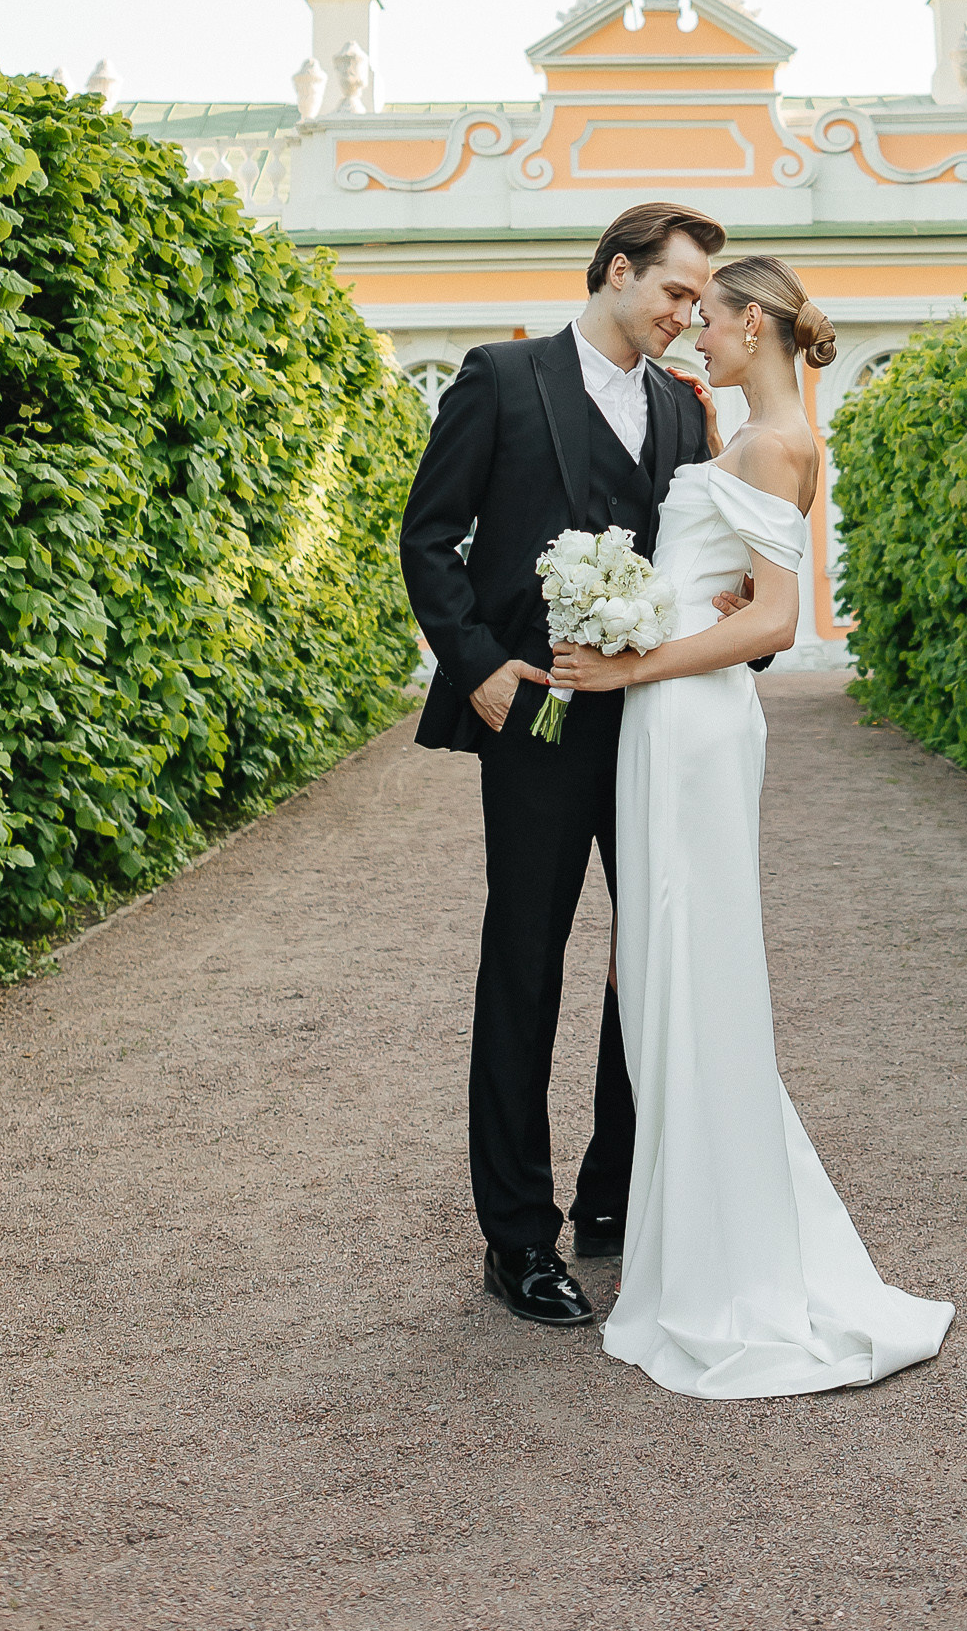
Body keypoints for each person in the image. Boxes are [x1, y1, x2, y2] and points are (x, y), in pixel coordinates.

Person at [551, 254, 956, 1397]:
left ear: (756, 328)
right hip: (673, 713)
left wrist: (629, 666)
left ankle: (720, 1261)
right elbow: (738, 584)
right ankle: (689, 1233)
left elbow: (775, 620)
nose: (695, 334)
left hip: (686, 716)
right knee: (661, 963)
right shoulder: (759, 437)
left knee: (684, 961)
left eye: (711, 319)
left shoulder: (776, 443)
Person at [399, 201, 724, 1328]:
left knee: (651, 958)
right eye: (675, 291)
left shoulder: (681, 411)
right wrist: (479, 666)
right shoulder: (500, 378)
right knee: (525, 964)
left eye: (698, 300)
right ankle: (516, 1238)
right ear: (618, 271)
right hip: (533, 720)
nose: (687, 316)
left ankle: (612, 1196)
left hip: (651, 721)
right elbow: (428, 538)